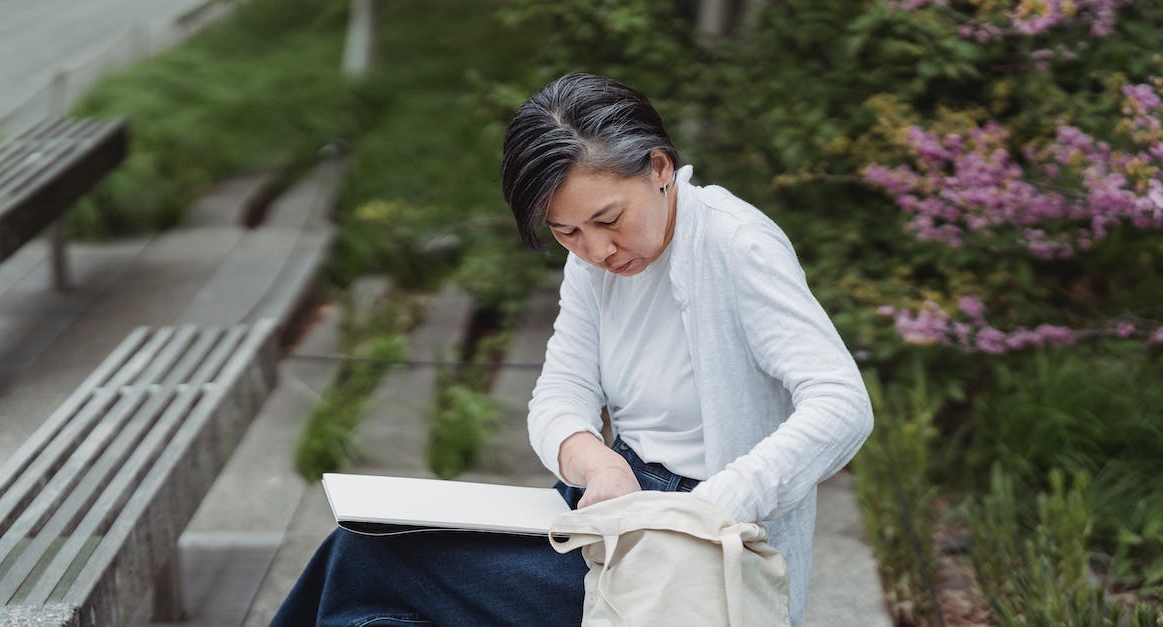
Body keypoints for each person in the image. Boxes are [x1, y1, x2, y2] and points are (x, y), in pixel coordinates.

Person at [272, 72, 872, 627]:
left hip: (696, 534)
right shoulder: (591, 264)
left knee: (372, 566)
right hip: (615, 498)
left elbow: (841, 404)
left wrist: (711, 509)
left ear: (659, 167)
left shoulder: (735, 244)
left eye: (609, 219)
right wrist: (598, 464)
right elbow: (562, 391)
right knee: (367, 547)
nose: (597, 249)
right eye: (567, 232)